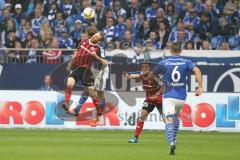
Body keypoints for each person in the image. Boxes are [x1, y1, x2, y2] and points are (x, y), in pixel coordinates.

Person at [149, 41, 202, 155]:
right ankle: (175, 139)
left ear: (171, 50)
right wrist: (200, 87)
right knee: (176, 118)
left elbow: (151, 75)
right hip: (181, 96)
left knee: (168, 120)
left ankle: (171, 142)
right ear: (181, 50)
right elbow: (197, 70)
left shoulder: (164, 61)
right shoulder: (187, 61)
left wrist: (160, 82)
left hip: (169, 95)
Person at [62, 31, 108, 119]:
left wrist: (96, 57)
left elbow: (105, 63)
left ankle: (99, 114)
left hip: (86, 71)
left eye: (97, 37)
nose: (94, 36)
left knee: (93, 94)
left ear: (99, 41)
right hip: (76, 68)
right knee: (69, 83)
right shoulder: (83, 41)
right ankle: (66, 103)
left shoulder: (98, 49)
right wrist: (70, 63)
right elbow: (77, 52)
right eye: (95, 35)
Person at [122, 62, 163, 143]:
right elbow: (136, 75)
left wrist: (157, 94)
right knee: (143, 115)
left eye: (146, 67)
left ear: (149, 69)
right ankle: (135, 137)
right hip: (149, 99)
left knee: (166, 118)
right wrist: (128, 76)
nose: (144, 69)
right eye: (143, 67)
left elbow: (163, 85)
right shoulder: (142, 75)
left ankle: (172, 137)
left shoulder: (154, 77)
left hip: (159, 99)